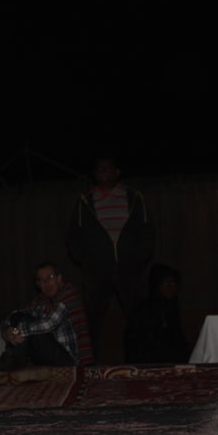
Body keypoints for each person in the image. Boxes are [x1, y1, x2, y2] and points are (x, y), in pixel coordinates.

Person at [65, 151, 155, 360]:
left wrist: (139, 258)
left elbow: (147, 230)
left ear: (117, 172)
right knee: (92, 318)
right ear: (94, 174)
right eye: (99, 169)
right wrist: (85, 261)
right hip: (97, 269)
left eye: (108, 168)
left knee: (137, 316)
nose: (103, 172)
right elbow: (73, 235)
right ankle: (89, 362)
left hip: (129, 268)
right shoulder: (85, 200)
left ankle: (142, 358)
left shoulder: (134, 197)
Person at [0, 261, 93, 370]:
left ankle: (11, 363)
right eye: (41, 280)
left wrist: (15, 331)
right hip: (48, 357)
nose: (46, 282)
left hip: (71, 360)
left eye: (50, 277)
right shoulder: (40, 300)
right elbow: (13, 315)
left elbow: (48, 324)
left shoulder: (69, 293)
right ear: (37, 284)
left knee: (31, 328)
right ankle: (12, 363)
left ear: (59, 279)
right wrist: (7, 330)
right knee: (20, 317)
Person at [123, 263, 191, 364]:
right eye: (166, 283)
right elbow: (138, 345)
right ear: (156, 285)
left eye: (173, 283)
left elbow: (178, 341)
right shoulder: (144, 310)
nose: (171, 287)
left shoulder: (172, 308)